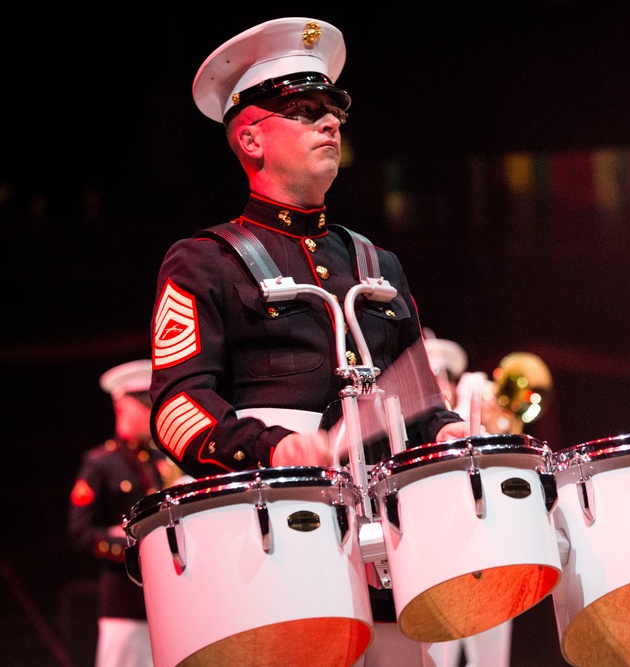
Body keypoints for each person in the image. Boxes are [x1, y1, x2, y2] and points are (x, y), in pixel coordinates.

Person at [147, 17, 469, 666]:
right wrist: (273, 446)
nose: (330, 123)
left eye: (334, 110)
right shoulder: (203, 261)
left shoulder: (379, 263)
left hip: (393, 552)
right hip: (271, 548)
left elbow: (425, 403)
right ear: (250, 137)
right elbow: (178, 407)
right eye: (305, 110)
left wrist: (449, 433)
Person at [422, 339, 554, 667]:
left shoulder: (470, 409)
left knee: (493, 660)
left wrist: (480, 418)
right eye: (431, 377)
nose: (439, 385)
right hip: (440, 555)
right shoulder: (419, 427)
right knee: (438, 657)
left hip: (490, 550)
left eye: (442, 376)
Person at [68, 359, 185, 667]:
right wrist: (138, 549)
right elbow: (81, 532)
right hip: (124, 606)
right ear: (122, 406)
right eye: (145, 405)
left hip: (168, 603)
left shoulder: (164, 462)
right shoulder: (100, 463)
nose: (152, 413)